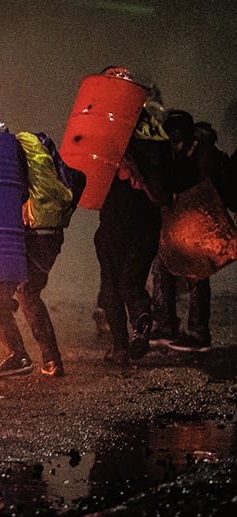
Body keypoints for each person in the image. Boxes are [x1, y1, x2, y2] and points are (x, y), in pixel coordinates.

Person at [0, 111, 85, 378]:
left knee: (8, 299)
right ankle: (46, 361)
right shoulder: (28, 145)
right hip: (46, 233)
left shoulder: (5, 158)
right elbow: (78, 178)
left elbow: (14, 197)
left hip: (29, 234)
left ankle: (25, 358)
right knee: (18, 295)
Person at [94, 105, 172, 365]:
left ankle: (120, 347)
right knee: (132, 282)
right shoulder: (156, 139)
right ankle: (140, 319)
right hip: (147, 224)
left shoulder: (112, 140)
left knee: (112, 288)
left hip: (114, 224)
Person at [149, 114, 229, 353]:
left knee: (196, 275)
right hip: (183, 221)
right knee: (165, 268)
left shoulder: (199, 151)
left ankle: (197, 332)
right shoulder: (182, 151)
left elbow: (198, 186)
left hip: (195, 221)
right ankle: (169, 326)